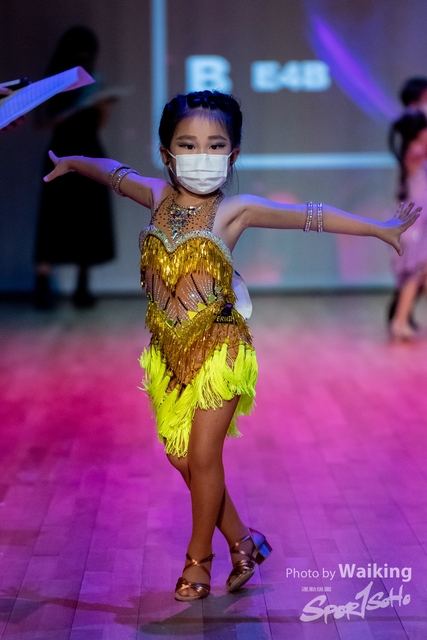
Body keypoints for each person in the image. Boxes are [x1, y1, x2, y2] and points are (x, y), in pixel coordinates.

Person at [42, 90, 420, 601]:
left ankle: (198, 561)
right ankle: (244, 540)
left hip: (222, 351)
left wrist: (378, 230)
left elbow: (311, 215)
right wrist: (72, 161)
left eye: (215, 145)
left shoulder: (234, 210)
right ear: (167, 151)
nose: (201, 155)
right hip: (167, 356)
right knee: (182, 459)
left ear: (233, 154)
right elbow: (111, 172)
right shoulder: (156, 196)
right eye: (188, 144)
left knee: (203, 457)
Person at [34, 26, 116, 309]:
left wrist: (102, 108)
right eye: (80, 53)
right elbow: (41, 122)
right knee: (54, 218)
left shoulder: (96, 81)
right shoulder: (53, 83)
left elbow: (99, 125)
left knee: (89, 218)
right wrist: (75, 108)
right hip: (60, 153)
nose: (85, 58)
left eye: (89, 53)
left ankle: (83, 286)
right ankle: (42, 284)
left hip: (89, 152)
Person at [387, 76, 427, 327]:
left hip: (418, 223)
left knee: (419, 275)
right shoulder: (415, 151)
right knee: (414, 275)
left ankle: (401, 320)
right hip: (415, 227)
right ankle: (399, 320)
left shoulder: (413, 151)